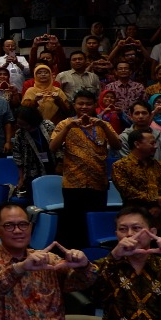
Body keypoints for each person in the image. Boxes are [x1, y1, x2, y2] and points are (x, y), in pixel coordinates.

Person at [49, 89, 122, 249]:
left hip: (98, 183)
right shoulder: (64, 123)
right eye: (80, 103)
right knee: (73, 224)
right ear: (74, 105)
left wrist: (103, 124)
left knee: (96, 222)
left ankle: (95, 255)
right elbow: (53, 147)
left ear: (95, 105)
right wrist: (68, 127)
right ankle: (73, 256)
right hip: (73, 183)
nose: (84, 107)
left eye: (88, 104)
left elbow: (117, 145)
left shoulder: (103, 124)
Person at [111, 129, 161, 235]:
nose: (155, 147)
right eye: (152, 143)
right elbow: (127, 190)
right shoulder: (120, 166)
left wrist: (159, 206)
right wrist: (156, 200)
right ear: (137, 144)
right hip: (133, 217)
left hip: (160, 218)